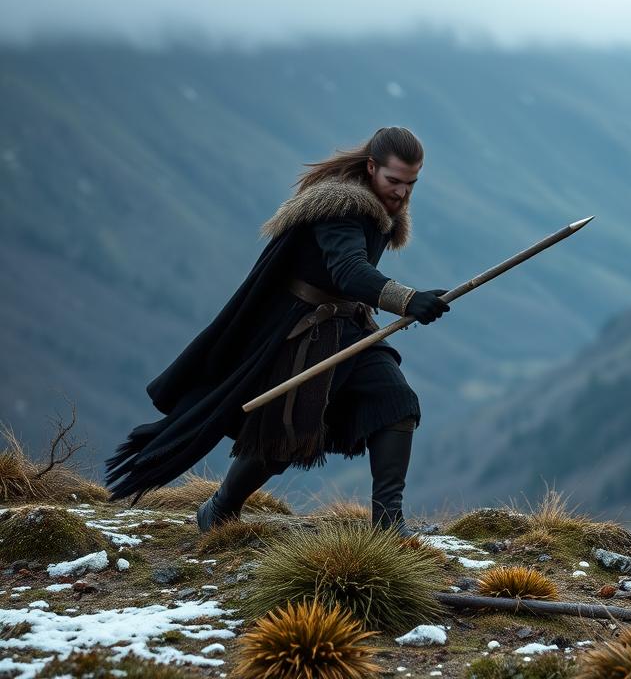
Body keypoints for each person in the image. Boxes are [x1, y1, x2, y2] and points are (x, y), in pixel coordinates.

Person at [104, 126, 449, 537]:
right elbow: (348, 270)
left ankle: (388, 526)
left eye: (411, 184)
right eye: (394, 181)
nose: (402, 193)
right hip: (304, 332)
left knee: (396, 403)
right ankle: (220, 508)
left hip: (351, 326)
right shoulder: (341, 207)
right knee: (285, 435)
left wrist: (404, 301)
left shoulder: (377, 205)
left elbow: (351, 278)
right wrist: (408, 300)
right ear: (371, 167)